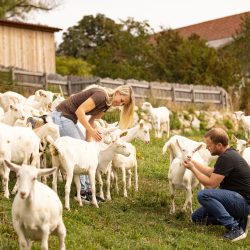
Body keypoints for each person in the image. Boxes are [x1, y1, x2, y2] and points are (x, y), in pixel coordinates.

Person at [51, 84, 135, 202]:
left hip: (70, 118)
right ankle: (83, 193)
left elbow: (91, 121)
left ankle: (88, 191)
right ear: (117, 93)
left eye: (123, 104)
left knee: (84, 150)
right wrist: (91, 132)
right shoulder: (101, 96)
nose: (120, 104)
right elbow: (80, 111)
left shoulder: (106, 105)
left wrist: (88, 141)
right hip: (61, 116)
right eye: (121, 100)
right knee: (80, 151)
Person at [183, 127, 250, 242]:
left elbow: (210, 185)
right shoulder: (229, 154)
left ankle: (234, 227)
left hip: (243, 201)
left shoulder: (227, 158)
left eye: (209, 145)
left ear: (219, 145)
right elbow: (210, 172)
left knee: (203, 195)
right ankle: (239, 219)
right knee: (197, 218)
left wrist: (193, 169)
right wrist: (192, 162)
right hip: (236, 200)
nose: (207, 148)